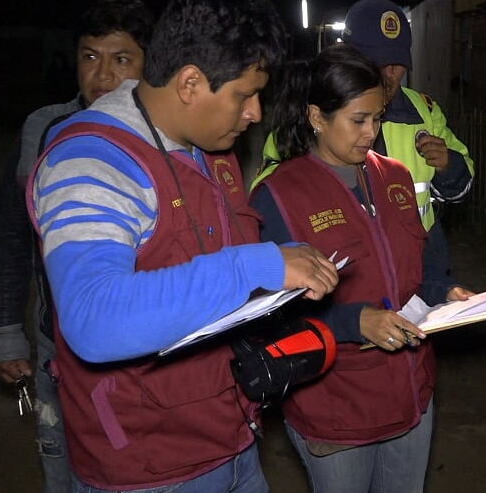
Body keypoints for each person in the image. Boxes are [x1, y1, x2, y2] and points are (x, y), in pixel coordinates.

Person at [26, 0, 339, 491]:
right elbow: (92, 316)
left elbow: (212, 265)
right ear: (190, 84)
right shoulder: (92, 161)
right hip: (150, 468)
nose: (256, 114)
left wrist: (283, 276)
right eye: (245, 96)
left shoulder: (211, 149)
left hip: (232, 438)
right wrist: (255, 268)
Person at [250, 43, 474, 493]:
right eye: (359, 120)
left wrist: (445, 293)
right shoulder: (278, 197)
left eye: (378, 117)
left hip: (411, 389)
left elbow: (421, 270)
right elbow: (269, 314)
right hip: (336, 404)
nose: (372, 132)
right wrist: (355, 321)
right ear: (316, 117)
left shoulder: (395, 177)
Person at [0, 1, 154, 491]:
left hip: (148, 345)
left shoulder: (173, 136)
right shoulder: (45, 130)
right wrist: (4, 333)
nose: (102, 75)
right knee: (63, 465)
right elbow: (9, 233)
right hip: (59, 347)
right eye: (90, 56)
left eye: (122, 59)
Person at [257, 0, 473, 276]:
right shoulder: (300, 126)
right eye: (378, 61)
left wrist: (447, 166)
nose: (389, 74)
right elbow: (274, 211)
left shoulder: (424, 113)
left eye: (398, 62)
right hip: (342, 274)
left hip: (419, 268)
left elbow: (461, 185)